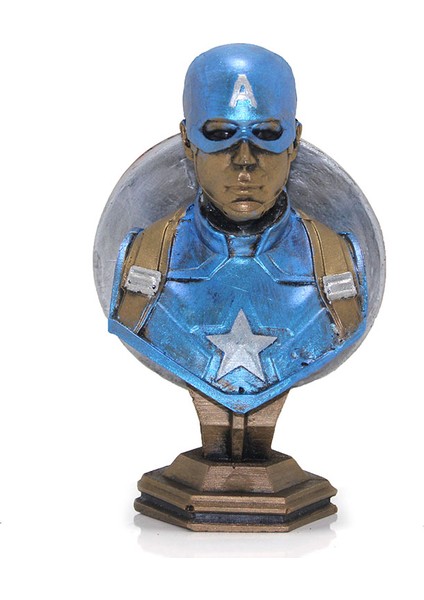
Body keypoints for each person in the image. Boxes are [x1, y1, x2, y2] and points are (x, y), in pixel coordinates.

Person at [109, 44, 367, 447]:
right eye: (220, 135)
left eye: (266, 135)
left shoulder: (336, 268)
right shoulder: (144, 267)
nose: (245, 160)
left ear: (294, 141)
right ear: (188, 142)